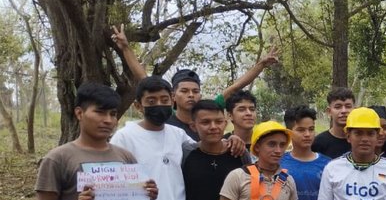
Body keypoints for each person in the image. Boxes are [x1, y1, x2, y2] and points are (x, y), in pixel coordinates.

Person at [110, 25, 277, 140]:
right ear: (173, 96)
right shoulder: (165, 116)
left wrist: (261, 65)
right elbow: (143, 78)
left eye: (195, 91)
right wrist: (125, 47)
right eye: (184, 91)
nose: (191, 95)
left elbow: (236, 87)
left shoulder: (209, 110)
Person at [311, 87, 355, 158]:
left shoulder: (361, 142)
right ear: (329, 111)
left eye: (348, 106)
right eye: (338, 107)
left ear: (354, 110)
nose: (343, 111)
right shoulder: (317, 143)